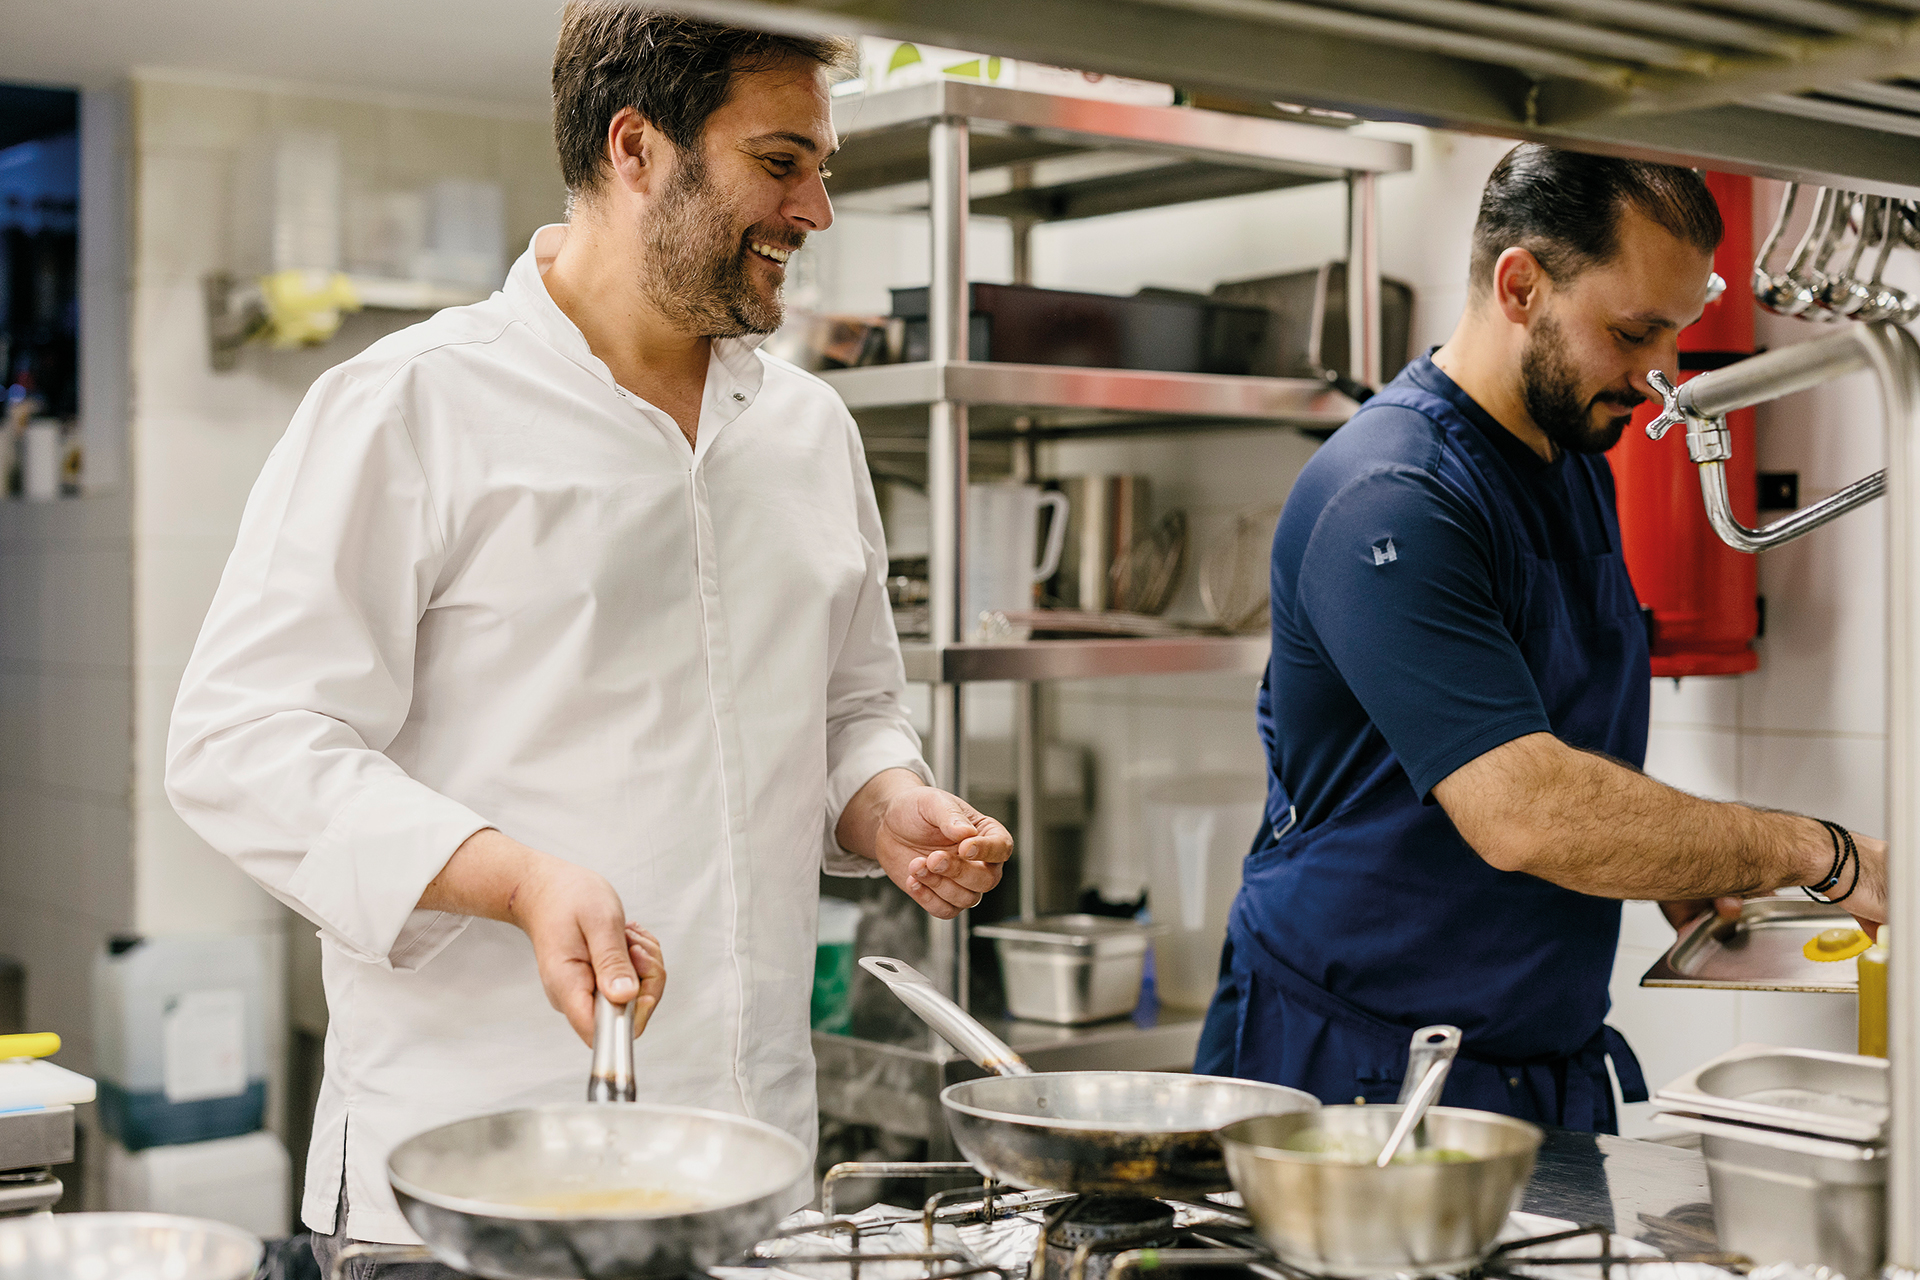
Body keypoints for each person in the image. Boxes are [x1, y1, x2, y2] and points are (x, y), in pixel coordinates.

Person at [165, 6, 1011, 1271]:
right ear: (636, 149)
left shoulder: (809, 433)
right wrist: (513, 875)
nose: (816, 210)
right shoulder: (412, 404)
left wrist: (885, 801)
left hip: (748, 1177)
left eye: (819, 167)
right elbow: (241, 741)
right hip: (465, 1193)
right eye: (780, 162)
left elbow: (849, 708)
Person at [1195, 145, 1887, 1132]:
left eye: (1676, 333)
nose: (1659, 375)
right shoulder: (1393, 494)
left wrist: (1670, 860)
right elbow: (1523, 810)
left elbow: (1554, 736)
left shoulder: (1571, 454)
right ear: (1520, 285)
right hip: (1358, 1069)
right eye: (1634, 332)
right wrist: (1821, 853)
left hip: (1533, 1059)